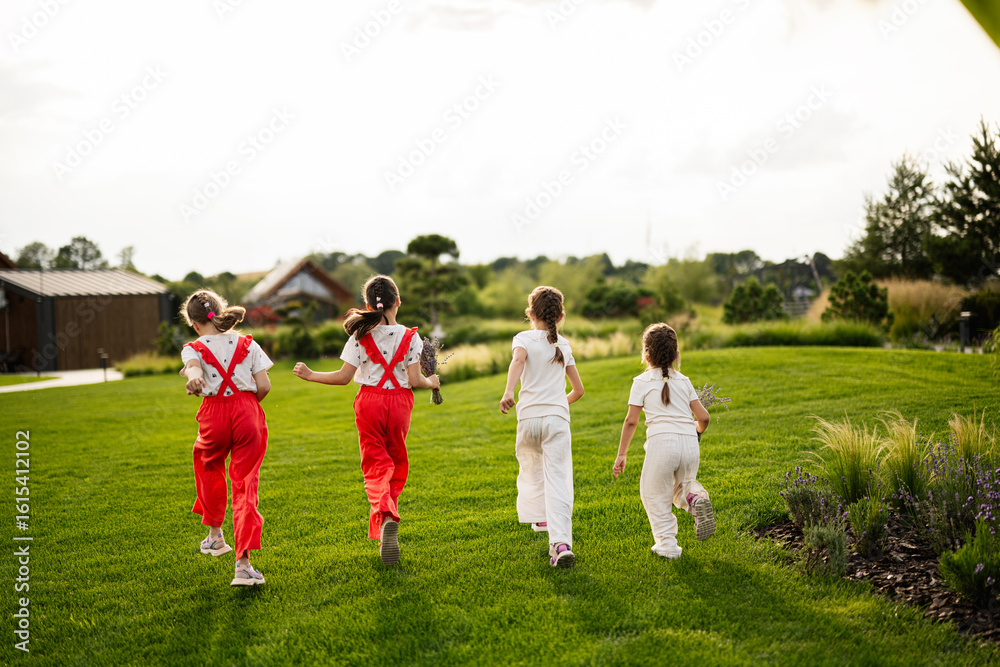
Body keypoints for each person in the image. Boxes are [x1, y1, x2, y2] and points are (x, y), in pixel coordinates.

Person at [293, 275, 439, 566]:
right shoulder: (411, 337)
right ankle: (389, 513)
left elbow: (343, 378)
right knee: (396, 460)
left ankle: (385, 514)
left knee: (375, 463)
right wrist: (432, 381)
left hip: (369, 402)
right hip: (399, 403)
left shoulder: (359, 335)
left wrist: (311, 375)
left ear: (368, 304)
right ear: (398, 301)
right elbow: (414, 380)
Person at [180, 289, 272, 586]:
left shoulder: (193, 346)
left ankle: (215, 535)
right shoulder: (248, 343)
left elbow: (193, 366)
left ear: (194, 324)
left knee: (207, 464)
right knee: (245, 486)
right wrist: (246, 406)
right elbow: (265, 385)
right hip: (248, 412)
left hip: (213, 414)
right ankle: (243, 566)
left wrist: (195, 377)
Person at [612, 322, 715, 560]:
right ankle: (696, 498)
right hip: (689, 442)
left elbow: (631, 422)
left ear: (646, 355)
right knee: (683, 486)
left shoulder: (641, 382)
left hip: (662, 445)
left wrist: (622, 454)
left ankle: (668, 546)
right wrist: (697, 433)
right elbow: (704, 417)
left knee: (654, 494)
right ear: (676, 355)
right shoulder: (684, 381)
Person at [500, 286, 585, 568]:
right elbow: (579, 390)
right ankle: (560, 544)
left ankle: (540, 518)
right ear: (560, 316)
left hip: (528, 420)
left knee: (531, 468)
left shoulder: (522, 338)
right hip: (556, 420)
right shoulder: (564, 344)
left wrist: (509, 391)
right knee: (558, 480)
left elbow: (518, 360)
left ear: (530, 313)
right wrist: (558, 405)